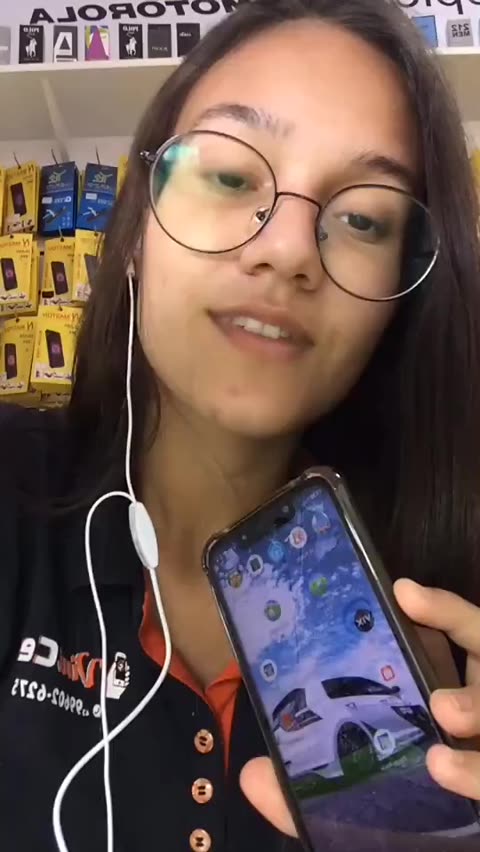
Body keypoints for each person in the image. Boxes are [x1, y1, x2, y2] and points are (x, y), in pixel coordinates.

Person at [1, 1, 480, 850]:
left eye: (363, 219)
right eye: (229, 176)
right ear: (135, 228)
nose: (289, 249)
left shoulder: (445, 611)